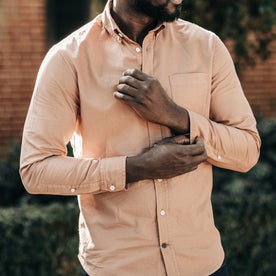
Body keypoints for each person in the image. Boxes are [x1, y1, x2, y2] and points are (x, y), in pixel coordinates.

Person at [20, 0, 261, 275]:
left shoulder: (207, 47)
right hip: (118, 268)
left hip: (204, 265)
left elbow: (247, 150)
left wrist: (176, 116)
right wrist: (138, 168)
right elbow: (36, 169)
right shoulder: (68, 58)